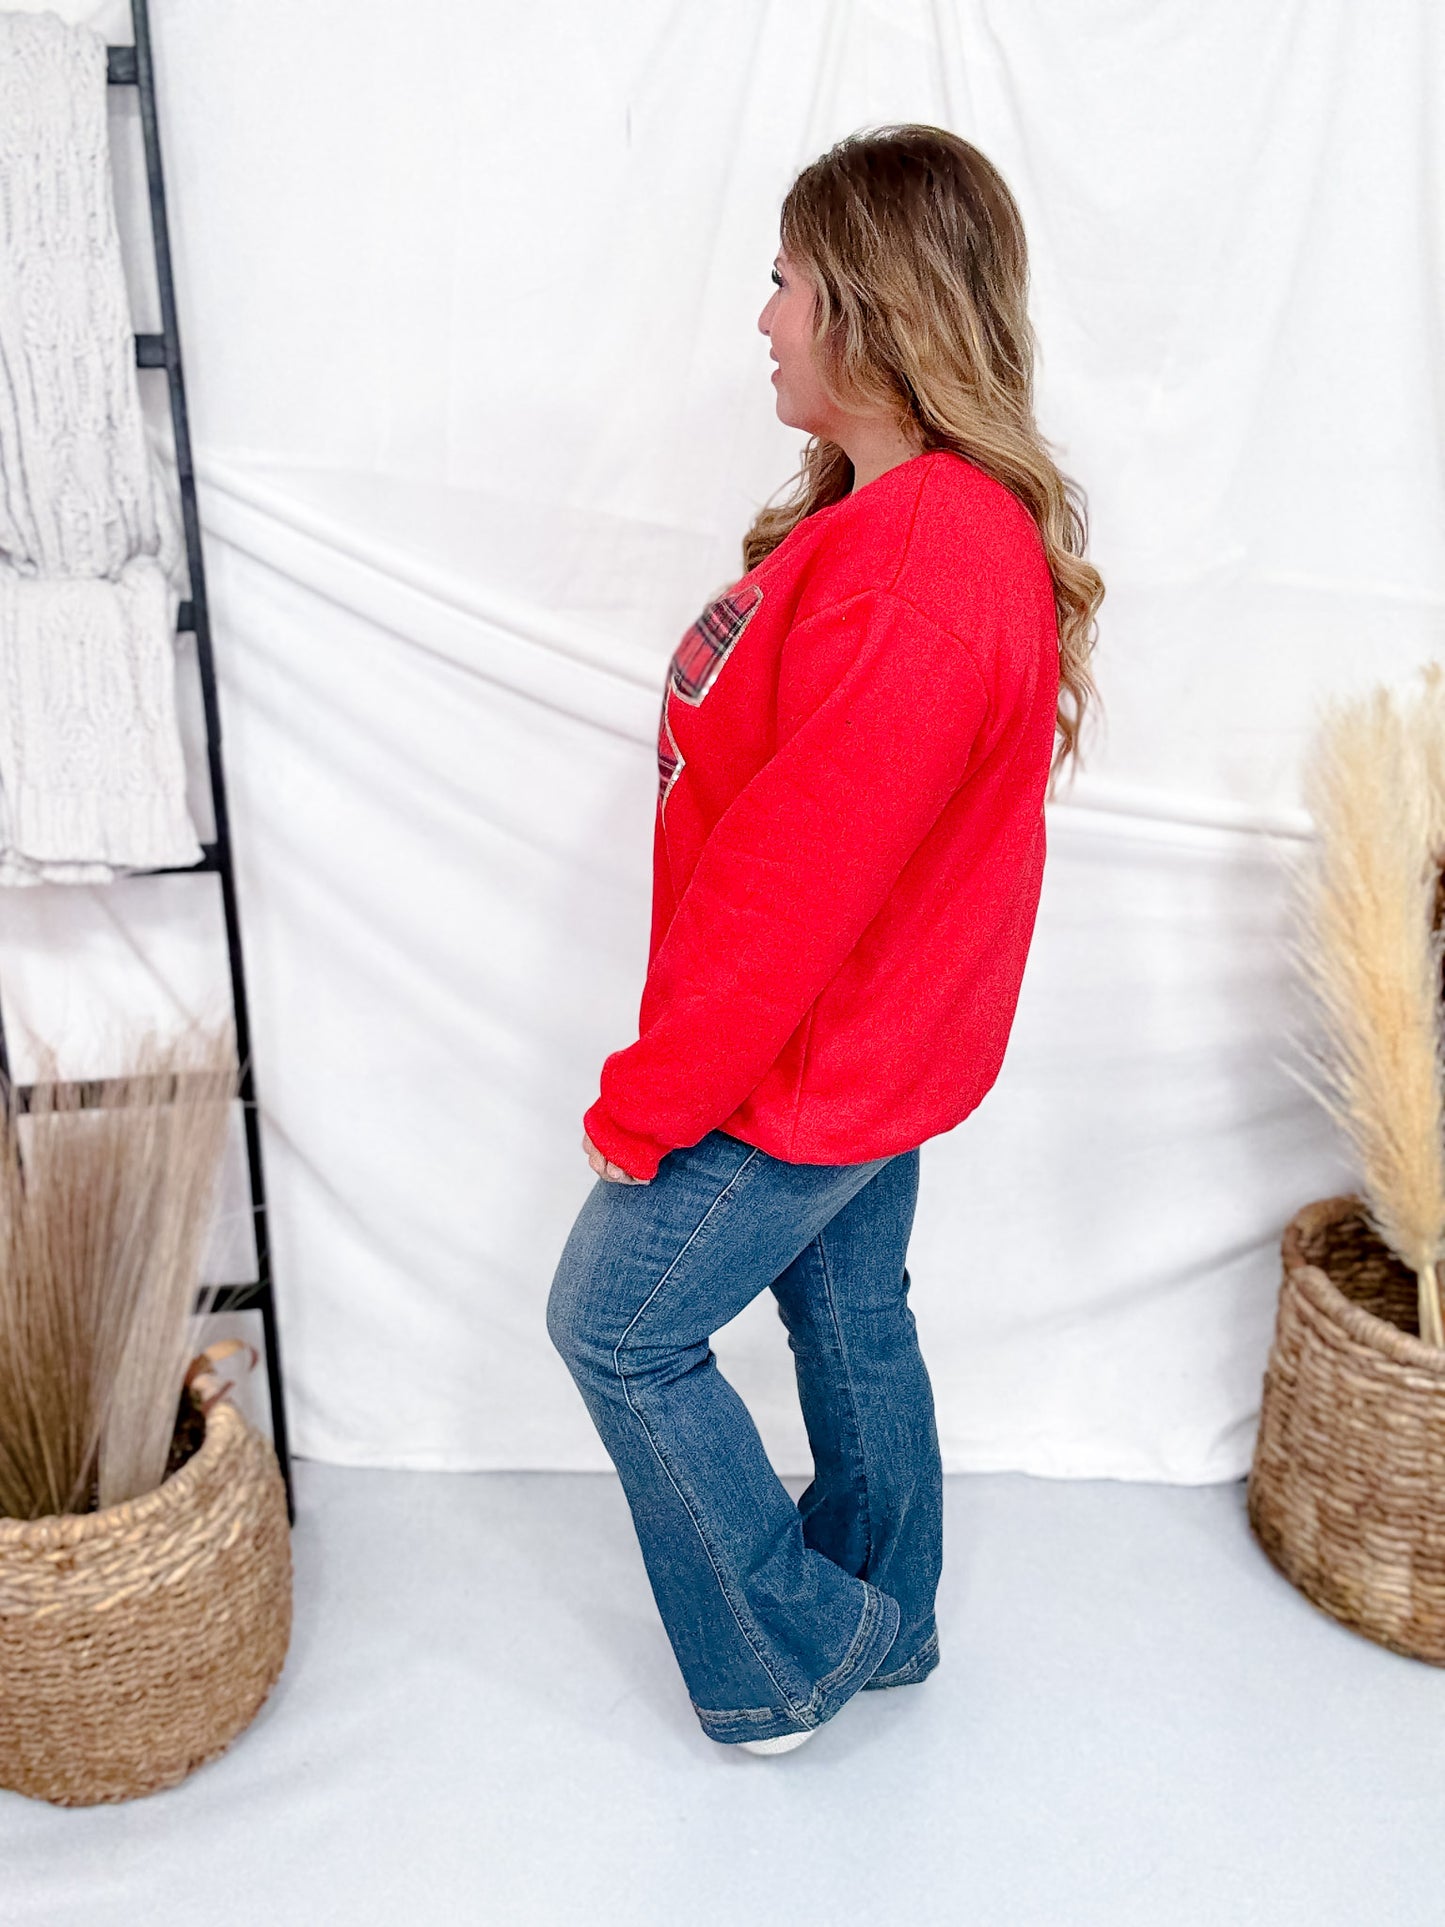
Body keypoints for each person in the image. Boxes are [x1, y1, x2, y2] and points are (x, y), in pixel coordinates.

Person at [547, 123, 1103, 1756]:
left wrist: (652, 1101)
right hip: (869, 1057)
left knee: (613, 1323)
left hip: (800, 1068)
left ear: (868, 303)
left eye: (788, 278)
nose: (766, 315)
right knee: (851, 1321)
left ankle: (789, 1655)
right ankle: (896, 1620)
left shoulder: (924, 554)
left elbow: (797, 888)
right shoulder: (893, 529)